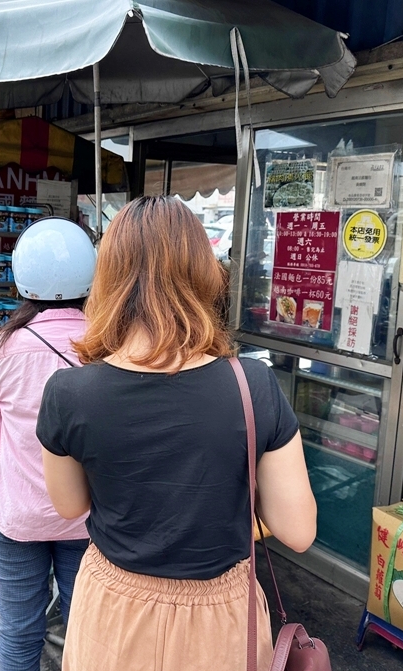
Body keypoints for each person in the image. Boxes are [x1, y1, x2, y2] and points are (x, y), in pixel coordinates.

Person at [37, 197, 318, 671]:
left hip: (113, 611)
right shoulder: (253, 385)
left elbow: (70, 506)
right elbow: (298, 531)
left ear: (107, 276)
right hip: (220, 619)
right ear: (203, 272)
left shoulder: (69, 391)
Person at [0, 218, 96, 671]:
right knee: (86, 626)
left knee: (19, 630)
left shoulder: (3, 346)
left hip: (16, 511)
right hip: (86, 514)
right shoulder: (105, 345)